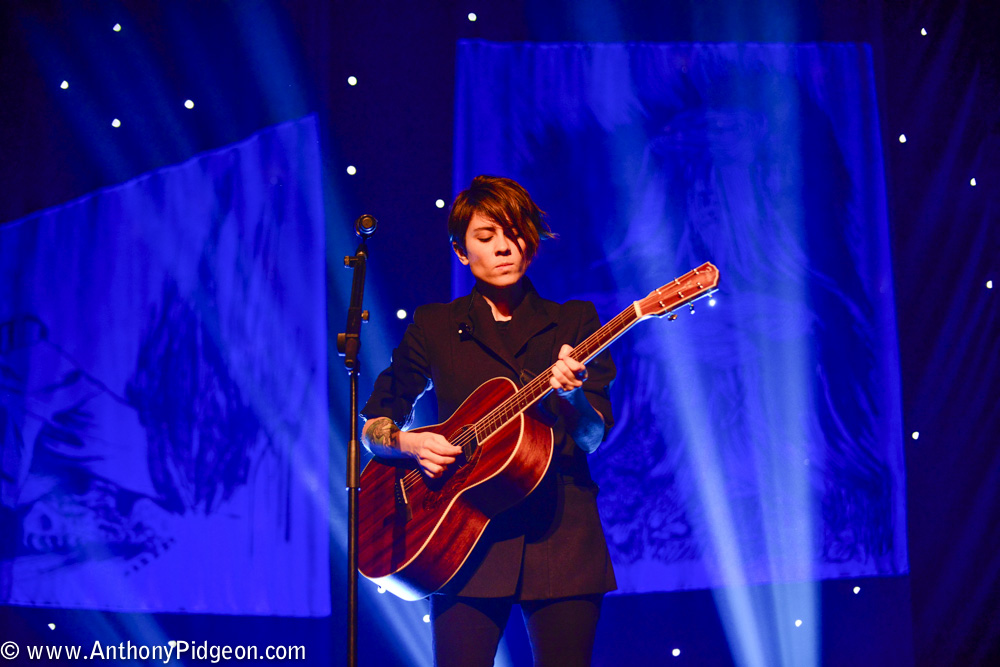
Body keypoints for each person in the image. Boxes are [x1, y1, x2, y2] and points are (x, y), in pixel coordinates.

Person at [361, 175, 616, 666]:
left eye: (515, 233)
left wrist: (573, 397)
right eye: (486, 236)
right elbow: (377, 425)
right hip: (460, 534)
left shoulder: (575, 322)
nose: (504, 247)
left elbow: (590, 438)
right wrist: (410, 444)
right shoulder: (435, 325)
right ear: (461, 252)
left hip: (561, 533)